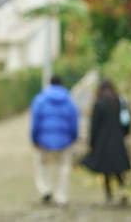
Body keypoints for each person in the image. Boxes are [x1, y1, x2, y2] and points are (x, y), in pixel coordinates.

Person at [30, 75, 80, 207]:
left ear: (49, 83)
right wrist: (73, 137)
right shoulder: (69, 100)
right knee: (64, 168)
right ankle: (62, 196)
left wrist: (34, 139)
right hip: (65, 140)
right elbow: (74, 121)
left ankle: (45, 189)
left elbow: (35, 122)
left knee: (43, 166)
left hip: (43, 140)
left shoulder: (40, 100)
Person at [85, 78, 131, 204]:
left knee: (105, 169)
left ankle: (109, 195)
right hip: (117, 138)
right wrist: (124, 133)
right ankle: (122, 190)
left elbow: (94, 125)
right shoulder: (120, 101)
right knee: (118, 168)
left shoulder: (99, 103)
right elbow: (127, 120)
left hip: (103, 141)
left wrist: (92, 142)